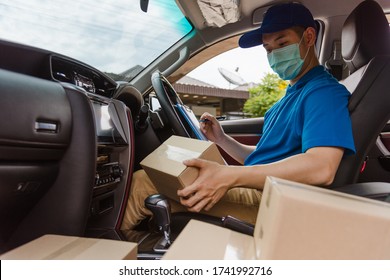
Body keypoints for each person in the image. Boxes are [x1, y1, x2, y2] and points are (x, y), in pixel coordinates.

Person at [121, 2, 355, 229]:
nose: (274, 55)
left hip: (272, 201)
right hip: (263, 190)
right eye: (269, 49)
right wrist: (222, 140)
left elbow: (322, 167)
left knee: (145, 183)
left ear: (309, 37)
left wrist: (230, 176)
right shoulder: (291, 95)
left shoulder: (323, 93)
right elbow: (265, 159)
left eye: (282, 43)